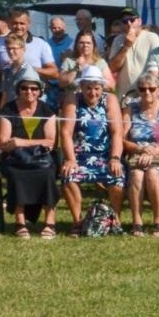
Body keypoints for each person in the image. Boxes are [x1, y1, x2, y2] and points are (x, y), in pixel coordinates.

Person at [0, 66, 58, 238]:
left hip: (41, 159)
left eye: (34, 88)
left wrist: (20, 142)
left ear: (40, 90)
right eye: (24, 88)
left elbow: (51, 141)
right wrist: (19, 144)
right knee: (16, 175)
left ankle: (50, 223)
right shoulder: (8, 110)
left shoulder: (47, 111)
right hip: (14, 160)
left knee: (48, 173)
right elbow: (3, 143)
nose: (29, 91)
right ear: (18, 89)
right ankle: (20, 223)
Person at [59, 64, 125, 234]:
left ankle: (115, 220)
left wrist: (115, 158)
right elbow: (66, 132)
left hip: (105, 154)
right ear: (81, 87)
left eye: (97, 88)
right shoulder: (72, 99)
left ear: (102, 87)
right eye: (88, 88)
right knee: (69, 175)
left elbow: (117, 133)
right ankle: (78, 221)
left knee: (117, 176)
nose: (93, 93)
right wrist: (71, 159)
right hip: (79, 155)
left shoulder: (110, 99)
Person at [122, 69, 159, 236]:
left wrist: (152, 152)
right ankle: (137, 222)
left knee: (153, 173)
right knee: (137, 175)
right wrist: (140, 149)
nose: (146, 92)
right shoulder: (129, 110)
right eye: (142, 89)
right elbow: (122, 139)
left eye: (151, 89)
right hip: (136, 152)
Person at [107, 8, 159, 105]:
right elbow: (113, 68)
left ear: (139, 21)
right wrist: (126, 46)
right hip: (125, 97)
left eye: (132, 20)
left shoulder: (152, 38)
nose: (129, 24)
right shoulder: (118, 40)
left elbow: (156, 69)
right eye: (125, 21)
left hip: (146, 95)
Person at [58, 30, 115, 103]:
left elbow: (111, 86)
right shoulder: (69, 61)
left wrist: (93, 81)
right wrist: (76, 68)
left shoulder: (100, 62)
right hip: (73, 101)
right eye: (82, 43)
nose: (85, 45)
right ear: (76, 45)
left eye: (88, 43)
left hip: (96, 101)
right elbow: (62, 83)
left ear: (93, 45)